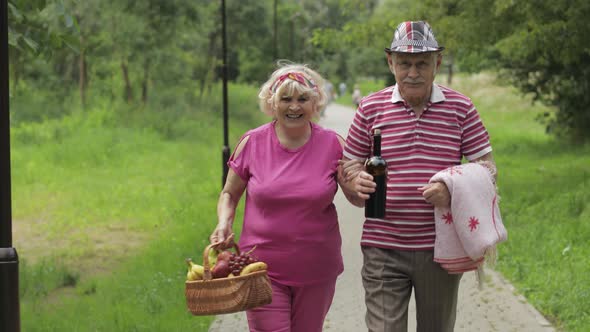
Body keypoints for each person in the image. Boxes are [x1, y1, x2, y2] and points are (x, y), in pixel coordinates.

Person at [340, 21, 496, 332]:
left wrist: (453, 191)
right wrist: (355, 183)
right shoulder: (370, 107)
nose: (413, 72)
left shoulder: (461, 108)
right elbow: (348, 165)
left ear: (437, 63)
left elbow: (488, 169)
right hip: (382, 247)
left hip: (440, 248)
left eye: (422, 63)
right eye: (405, 63)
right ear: (390, 62)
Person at [209, 62, 355, 332]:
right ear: (272, 103)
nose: (294, 106)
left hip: (317, 269)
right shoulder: (252, 142)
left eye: (303, 99)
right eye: (285, 99)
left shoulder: (334, 144)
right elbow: (229, 193)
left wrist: (358, 186)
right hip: (260, 270)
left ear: (315, 103)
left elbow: (357, 199)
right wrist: (223, 223)